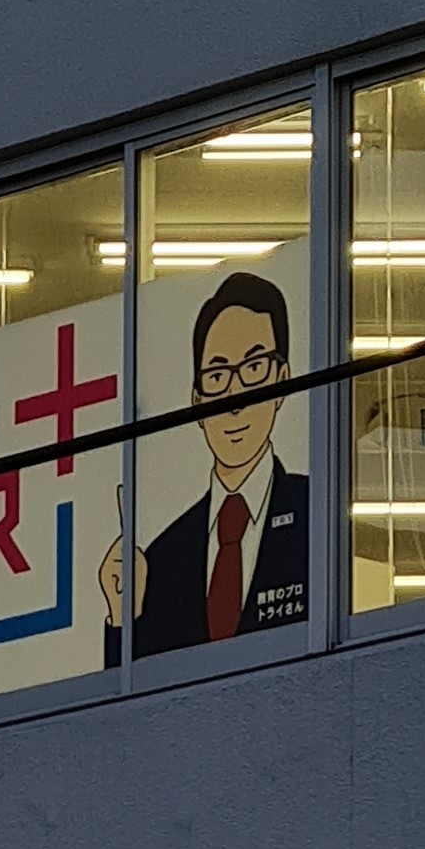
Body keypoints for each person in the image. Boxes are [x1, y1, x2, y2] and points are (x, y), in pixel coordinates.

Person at [101, 268, 310, 659]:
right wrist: (121, 618)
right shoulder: (160, 560)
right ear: (196, 401)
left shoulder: (318, 512)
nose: (235, 398)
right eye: (216, 376)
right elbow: (132, 710)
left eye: (253, 369)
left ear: (284, 379)